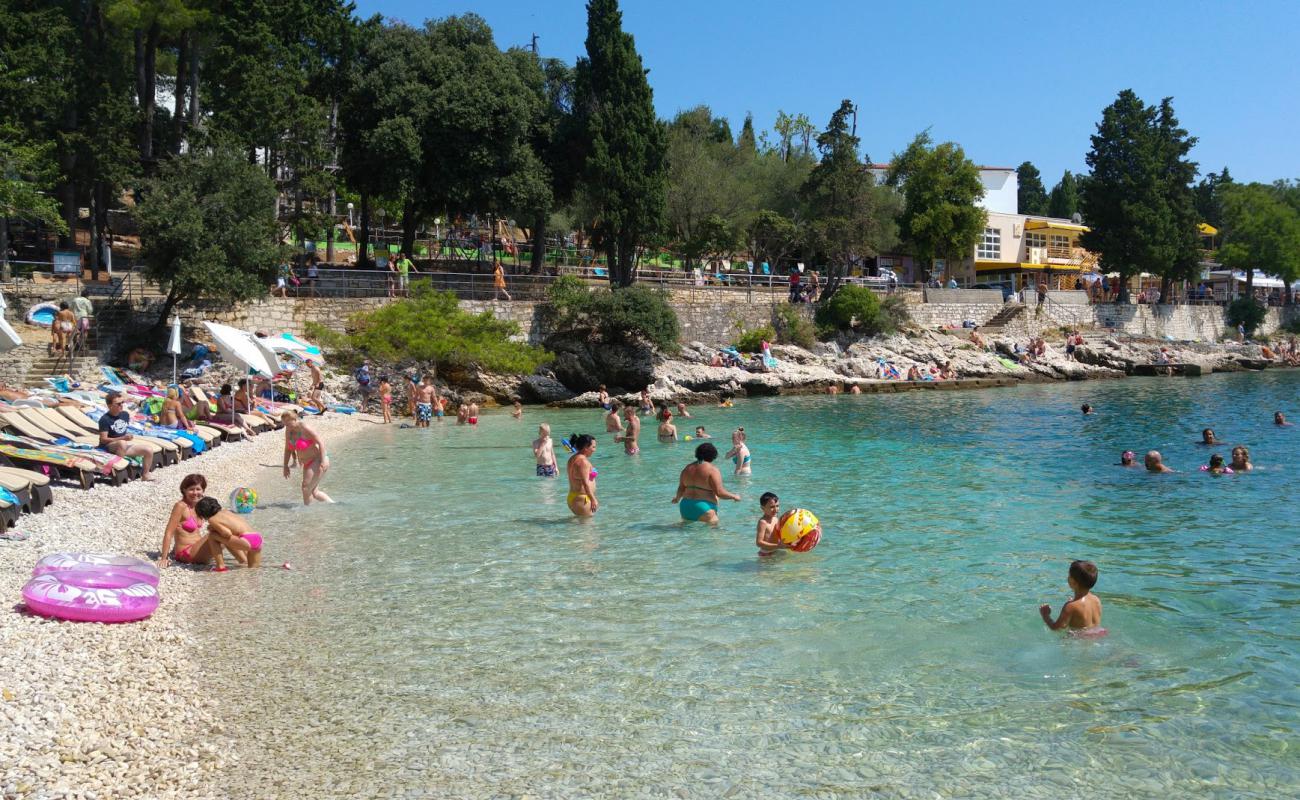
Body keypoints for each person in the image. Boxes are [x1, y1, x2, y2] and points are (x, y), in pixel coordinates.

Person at [160, 474, 245, 568]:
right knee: (221, 532)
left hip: (198, 550)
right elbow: (169, 532)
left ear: (203, 490)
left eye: (198, 489)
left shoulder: (200, 506)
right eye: (191, 489)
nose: (195, 492)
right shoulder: (180, 506)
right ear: (184, 490)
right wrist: (164, 558)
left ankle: (245, 560)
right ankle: (244, 561)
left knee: (228, 527)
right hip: (186, 553)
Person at [673, 442, 741, 524]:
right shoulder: (712, 470)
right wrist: (734, 496)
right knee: (713, 534)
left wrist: (677, 498)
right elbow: (720, 493)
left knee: (689, 535)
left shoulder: (687, 468)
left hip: (685, 506)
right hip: (704, 508)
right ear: (713, 455)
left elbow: (681, 488)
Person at [194, 497, 264, 571]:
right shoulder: (227, 512)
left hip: (247, 540)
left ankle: (220, 566)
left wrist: (213, 529)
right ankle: (244, 564)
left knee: (213, 535)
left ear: (203, 513)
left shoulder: (212, 519)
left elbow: (227, 533)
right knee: (253, 572)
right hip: (257, 538)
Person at [98, 392, 155, 481]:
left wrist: (127, 437)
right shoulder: (104, 419)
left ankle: (145, 474)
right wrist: (122, 438)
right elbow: (103, 439)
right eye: (118, 404)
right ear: (109, 406)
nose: (121, 405)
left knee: (148, 450)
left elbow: (121, 432)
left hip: (122, 446)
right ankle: (118, 472)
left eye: (122, 403)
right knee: (122, 443)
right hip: (108, 446)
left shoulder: (125, 415)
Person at [282, 410, 332, 505]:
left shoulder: (304, 428)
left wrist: (323, 461)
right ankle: (334, 505)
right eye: (285, 424)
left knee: (305, 488)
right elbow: (288, 449)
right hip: (307, 463)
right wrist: (285, 466)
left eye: (288, 423)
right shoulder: (288, 431)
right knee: (313, 491)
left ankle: (307, 513)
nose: (287, 426)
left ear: (295, 419)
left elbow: (320, 442)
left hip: (317, 459)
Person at [1039, 560, 1103, 633]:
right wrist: (1074, 602)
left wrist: (1045, 616)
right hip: (1099, 633)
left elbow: (1056, 628)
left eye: (1069, 575)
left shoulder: (1070, 607)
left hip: (1080, 639)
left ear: (1073, 582)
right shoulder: (1096, 599)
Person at [565, 433, 599, 517]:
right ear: (586, 448)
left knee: (581, 526)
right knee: (587, 528)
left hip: (575, 497)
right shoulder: (583, 462)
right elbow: (585, 483)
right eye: (593, 447)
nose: (595, 450)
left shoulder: (573, 458)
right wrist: (593, 499)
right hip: (582, 499)